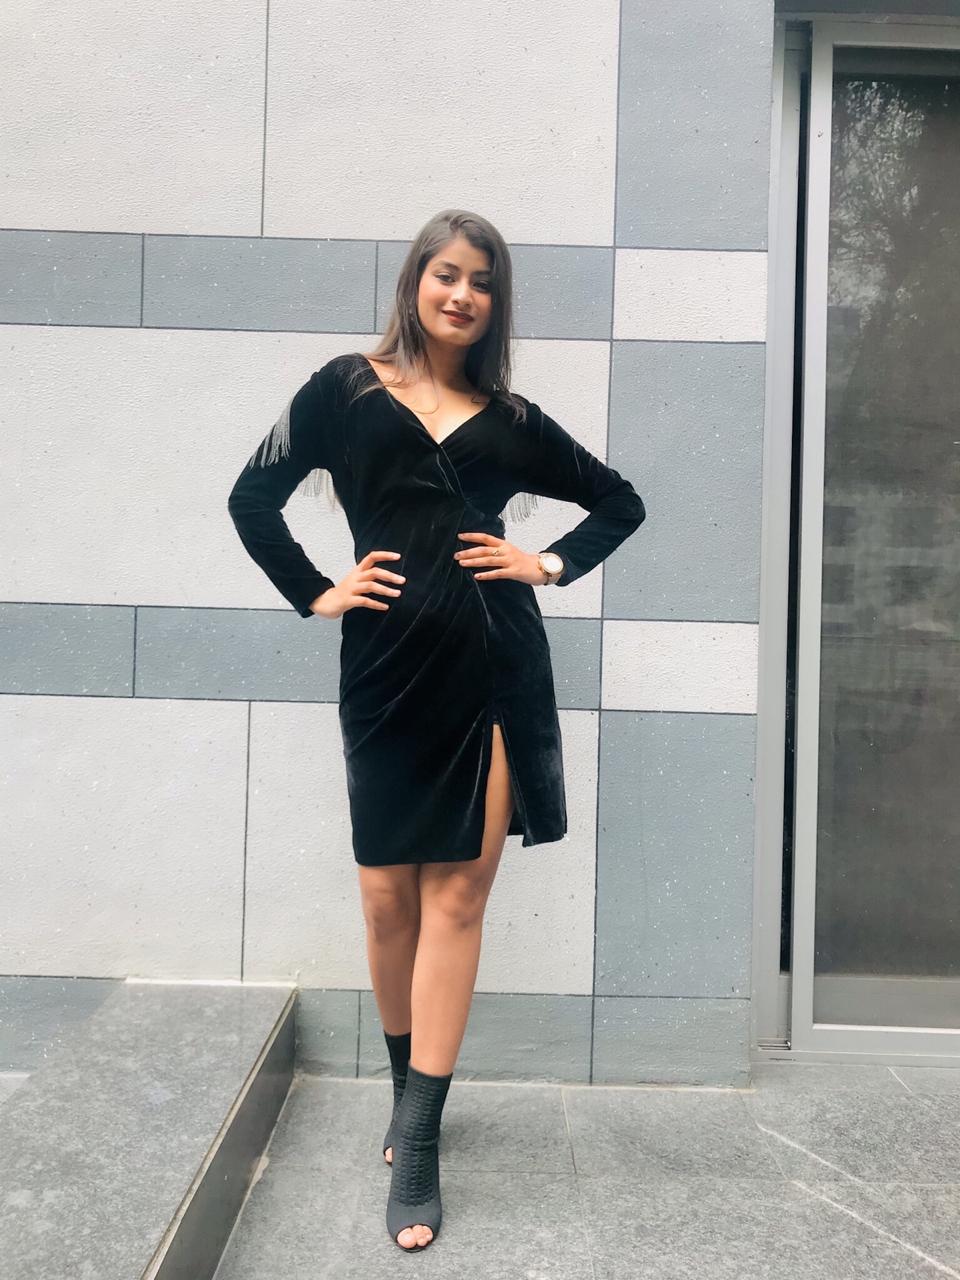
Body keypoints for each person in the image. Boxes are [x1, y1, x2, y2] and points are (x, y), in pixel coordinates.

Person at [227, 209, 646, 1251]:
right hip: (383, 673)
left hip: (493, 668)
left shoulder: (511, 418)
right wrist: (318, 591)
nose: (462, 294)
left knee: (456, 895)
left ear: (496, 304)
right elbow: (252, 498)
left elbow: (618, 500)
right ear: (415, 280)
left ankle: (417, 1139)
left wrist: (546, 563)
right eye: (446, 274)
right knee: (385, 903)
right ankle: (403, 1083)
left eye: (482, 282)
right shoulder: (343, 389)